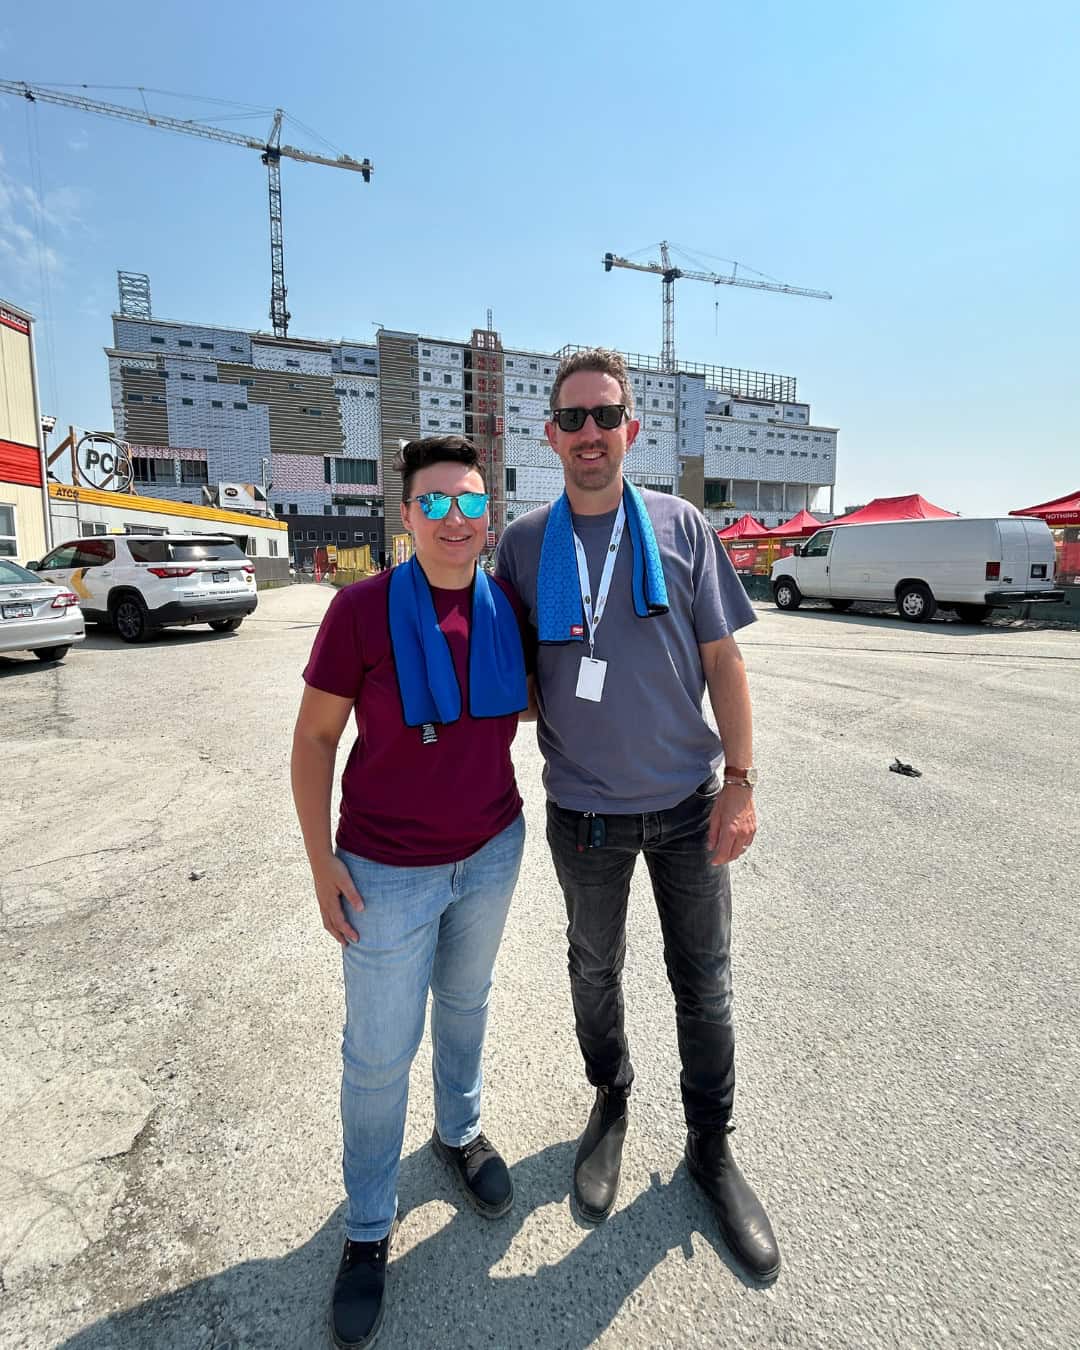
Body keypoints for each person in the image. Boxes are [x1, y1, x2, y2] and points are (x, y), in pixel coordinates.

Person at [495, 348, 781, 1282]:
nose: (588, 435)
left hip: (689, 804)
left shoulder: (680, 524)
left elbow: (723, 664)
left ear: (632, 427)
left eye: (604, 416)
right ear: (550, 435)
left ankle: (711, 1149)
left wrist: (740, 781)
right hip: (585, 815)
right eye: (571, 419)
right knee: (593, 968)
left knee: (706, 982)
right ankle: (610, 1101)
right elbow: (506, 678)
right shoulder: (524, 543)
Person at [292, 436, 532, 1348]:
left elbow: (537, 706)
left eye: (468, 503)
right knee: (378, 1055)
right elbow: (315, 742)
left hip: (492, 851)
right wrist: (323, 864)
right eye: (432, 504)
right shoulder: (358, 611)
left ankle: (458, 1134)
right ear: (405, 516)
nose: (453, 520)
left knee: (465, 1005)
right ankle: (365, 1226)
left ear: (488, 514)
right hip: (386, 870)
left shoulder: (505, 606)